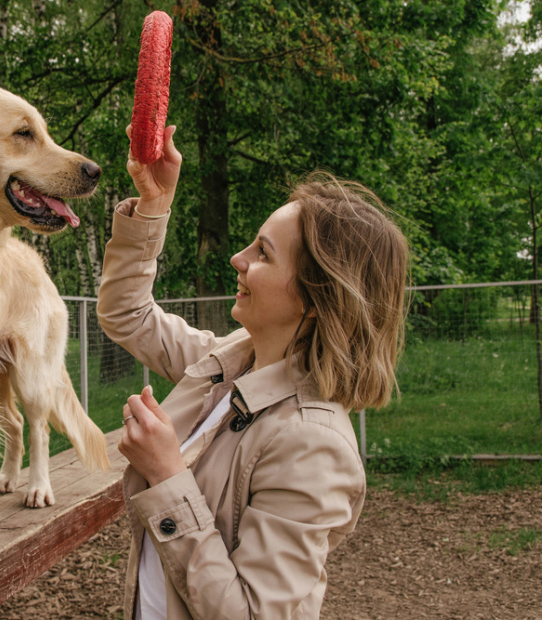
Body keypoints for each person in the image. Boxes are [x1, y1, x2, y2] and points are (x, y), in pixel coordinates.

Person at [96, 124, 409, 620]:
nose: (238, 259)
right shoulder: (227, 362)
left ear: (315, 297)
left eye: (263, 252)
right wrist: (154, 204)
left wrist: (166, 475)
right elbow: (126, 315)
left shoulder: (313, 443)